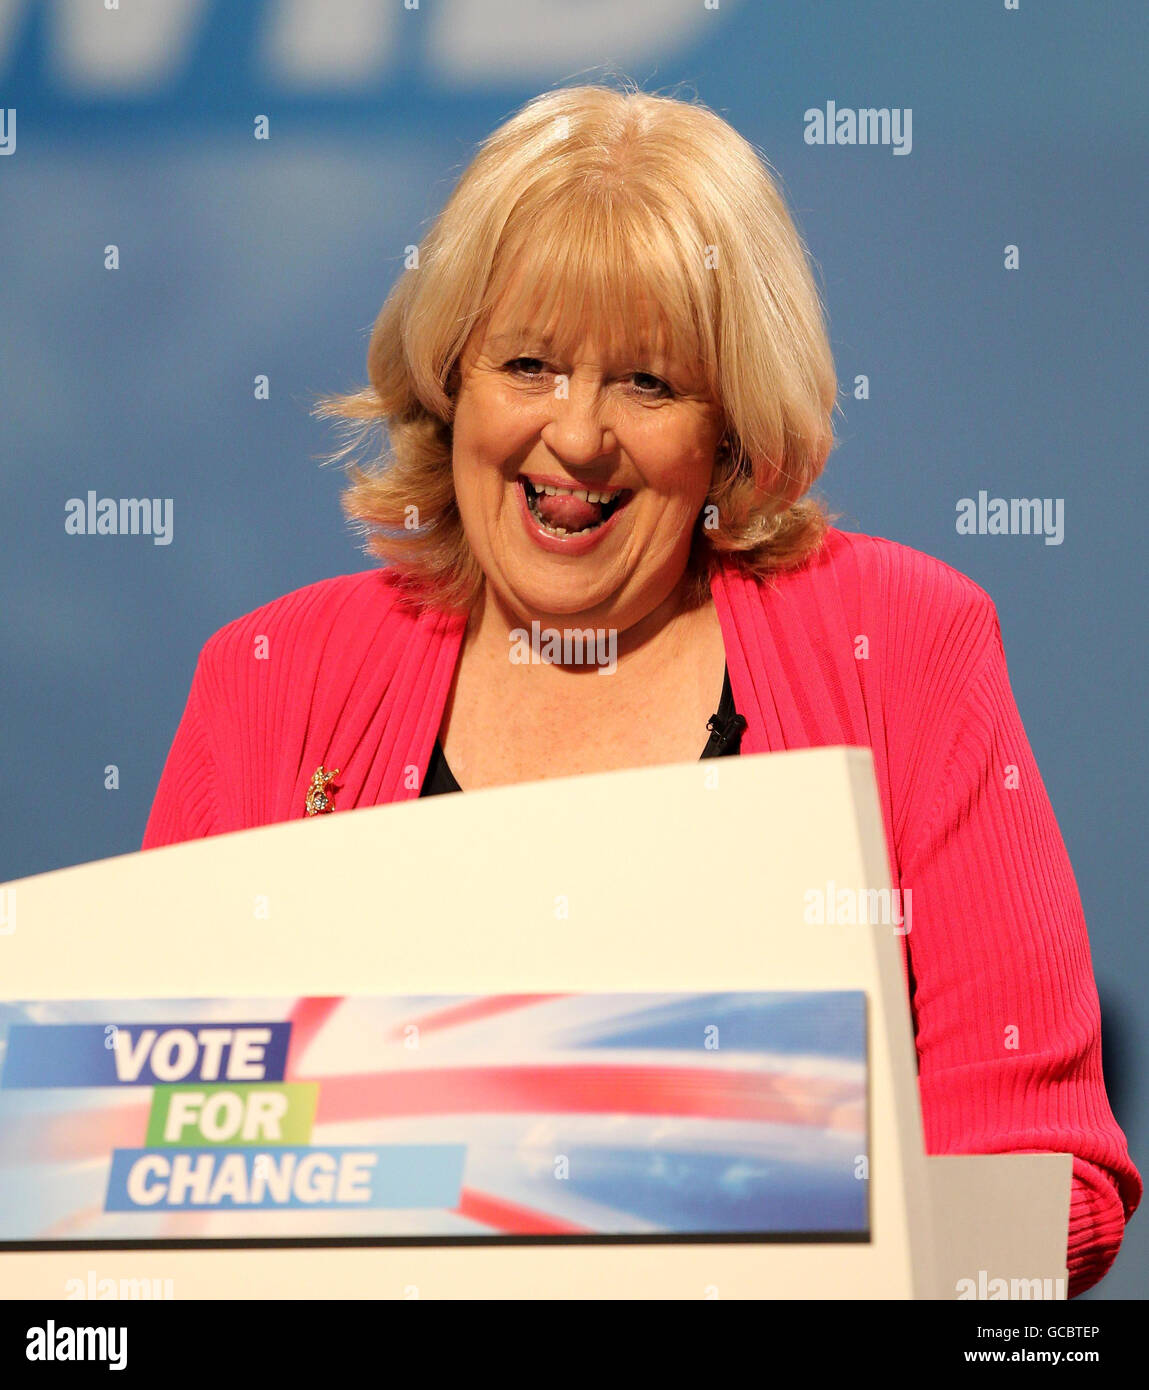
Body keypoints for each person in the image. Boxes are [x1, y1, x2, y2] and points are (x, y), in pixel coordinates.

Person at [143, 81, 1139, 1294]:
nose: (577, 436)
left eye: (649, 384)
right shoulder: (274, 682)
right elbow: (148, 1173)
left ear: (730, 431)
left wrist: (738, 1200)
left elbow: (1050, 1185)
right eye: (529, 363)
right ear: (451, 382)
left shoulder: (908, 646)